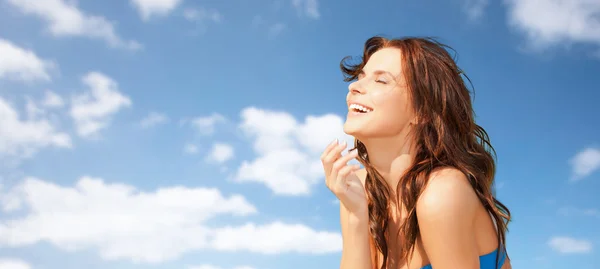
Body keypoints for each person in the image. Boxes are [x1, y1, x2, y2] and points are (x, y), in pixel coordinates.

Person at [321, 36, 512, 269]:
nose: (354, 86)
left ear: (422, 112)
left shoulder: (441, 192)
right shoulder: (359, 189)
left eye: (381, 81)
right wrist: (356, 215)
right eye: (361, 77)